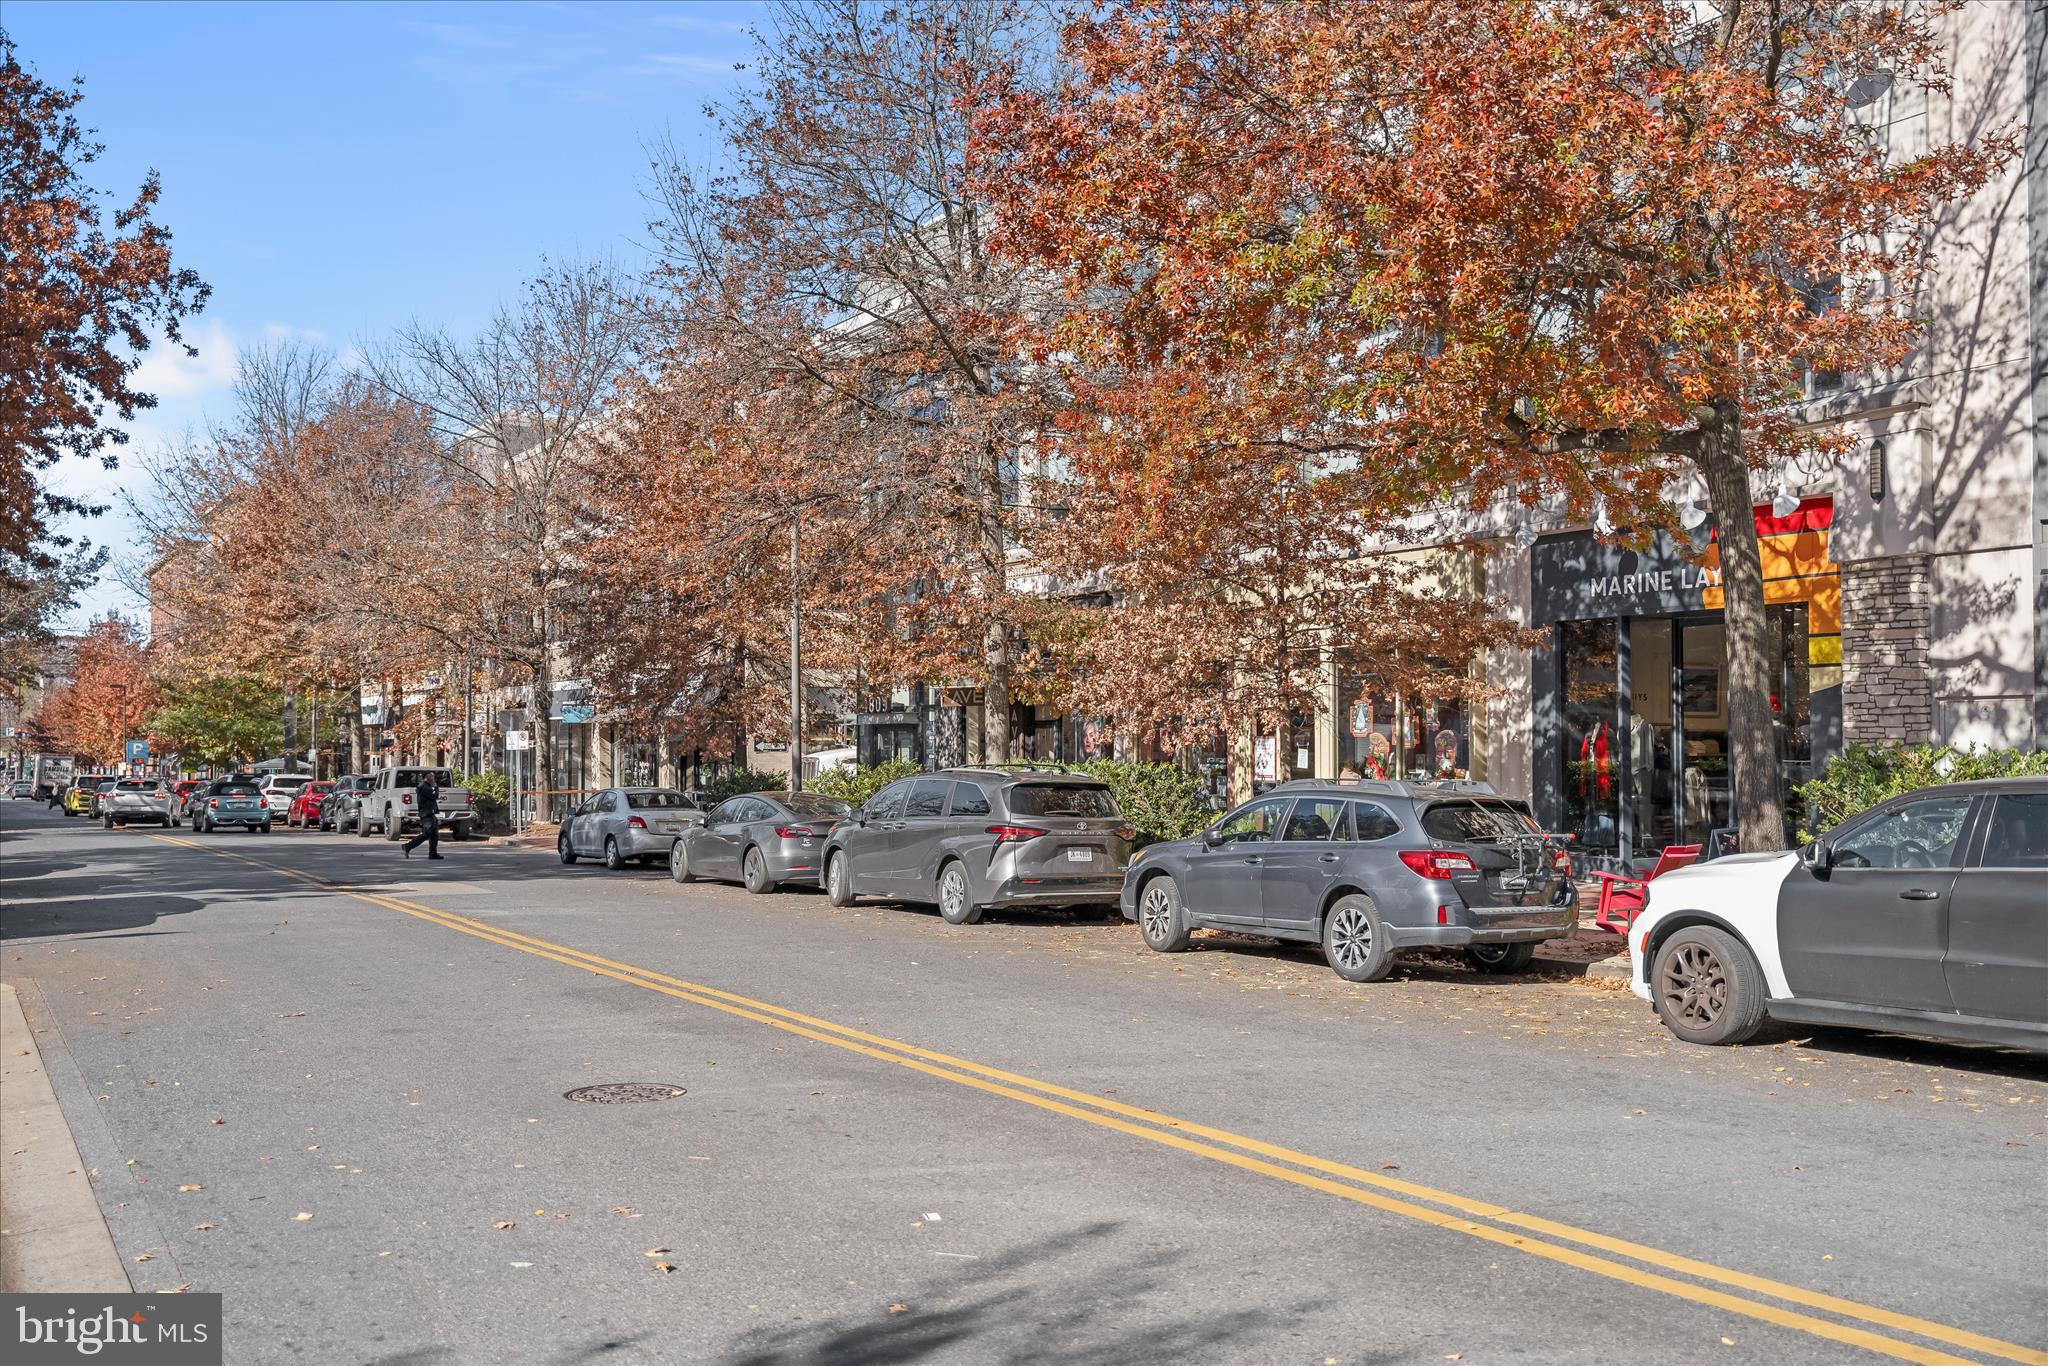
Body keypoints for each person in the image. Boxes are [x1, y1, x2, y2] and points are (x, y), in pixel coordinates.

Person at [402, 772, 445, 860]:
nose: (433, 777)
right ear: (427, 776)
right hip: (426, 813)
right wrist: (436, 786)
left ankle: (433, 854)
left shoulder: (426, 786)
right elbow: (434, 796)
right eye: (431, 776)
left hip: (430, 813)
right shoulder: (423, 786)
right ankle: (408, 846)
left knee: (434, 834)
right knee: (427, 833)